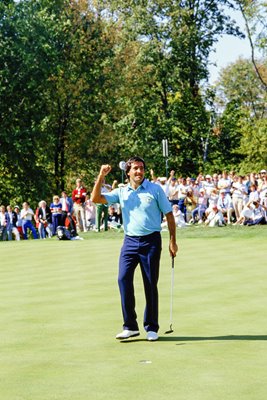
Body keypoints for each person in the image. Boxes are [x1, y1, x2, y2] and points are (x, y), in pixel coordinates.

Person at [91, 156, 178, 342]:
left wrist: (173, 241)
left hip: (151, 241)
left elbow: (169, 215)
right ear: (128, 172)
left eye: (141, 168)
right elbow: (95, 198)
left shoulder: (155, 189)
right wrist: (101, 176)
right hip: (129, 242)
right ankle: (130, 326)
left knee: (149, 283)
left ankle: (151, 327)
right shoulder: (122, 192)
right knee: (123, 279)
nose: (139, 172)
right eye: (135, 169)